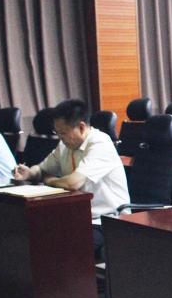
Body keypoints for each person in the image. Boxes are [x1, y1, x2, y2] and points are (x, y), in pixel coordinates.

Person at [12, 99, 129, 260]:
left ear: (81, 127)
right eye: (57, 133)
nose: (60, 138)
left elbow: (73, 183)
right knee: (32, 235)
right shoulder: (65, 145)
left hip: (107, 221)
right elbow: (42, 169)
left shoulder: (100, 143)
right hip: (76, 217)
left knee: (63, 246)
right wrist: (29, 173)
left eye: (63, 133)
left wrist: (49, 181)